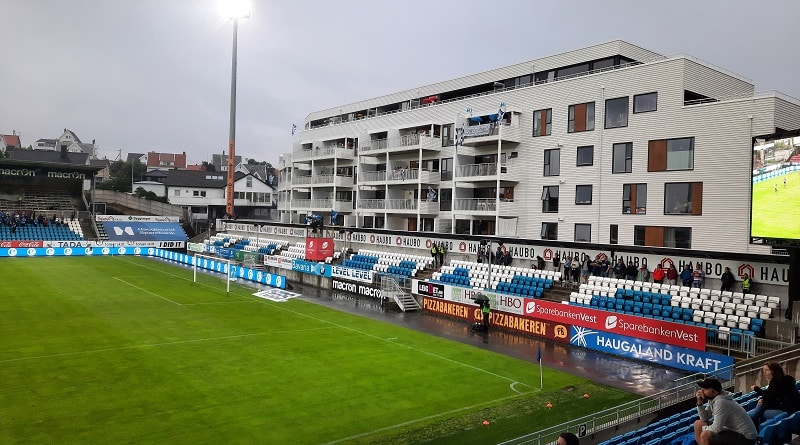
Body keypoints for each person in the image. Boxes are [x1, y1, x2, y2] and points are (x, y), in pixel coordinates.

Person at [693, 378, 757, 445]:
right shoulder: (713, 398)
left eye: (705, 389)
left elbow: (716, 428)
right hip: (732, 430)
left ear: (714, 392)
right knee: (698, 424)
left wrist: (702, 429)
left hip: (746, 438)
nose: (701, 390)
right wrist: (699, 403)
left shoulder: (721, 402)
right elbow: (704, 418)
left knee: (705, 435)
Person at [749, 361, 800, 428]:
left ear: (774, 371)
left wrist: (757, 389)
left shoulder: (776, 382)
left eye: (767, 370)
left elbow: (770, 397)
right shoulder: (787, 378)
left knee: (760, 411)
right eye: (763, 370)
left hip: (788, 411)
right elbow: (772, 396)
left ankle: (753, 427)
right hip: (793, 410)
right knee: (761, 405)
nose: (764, 372)